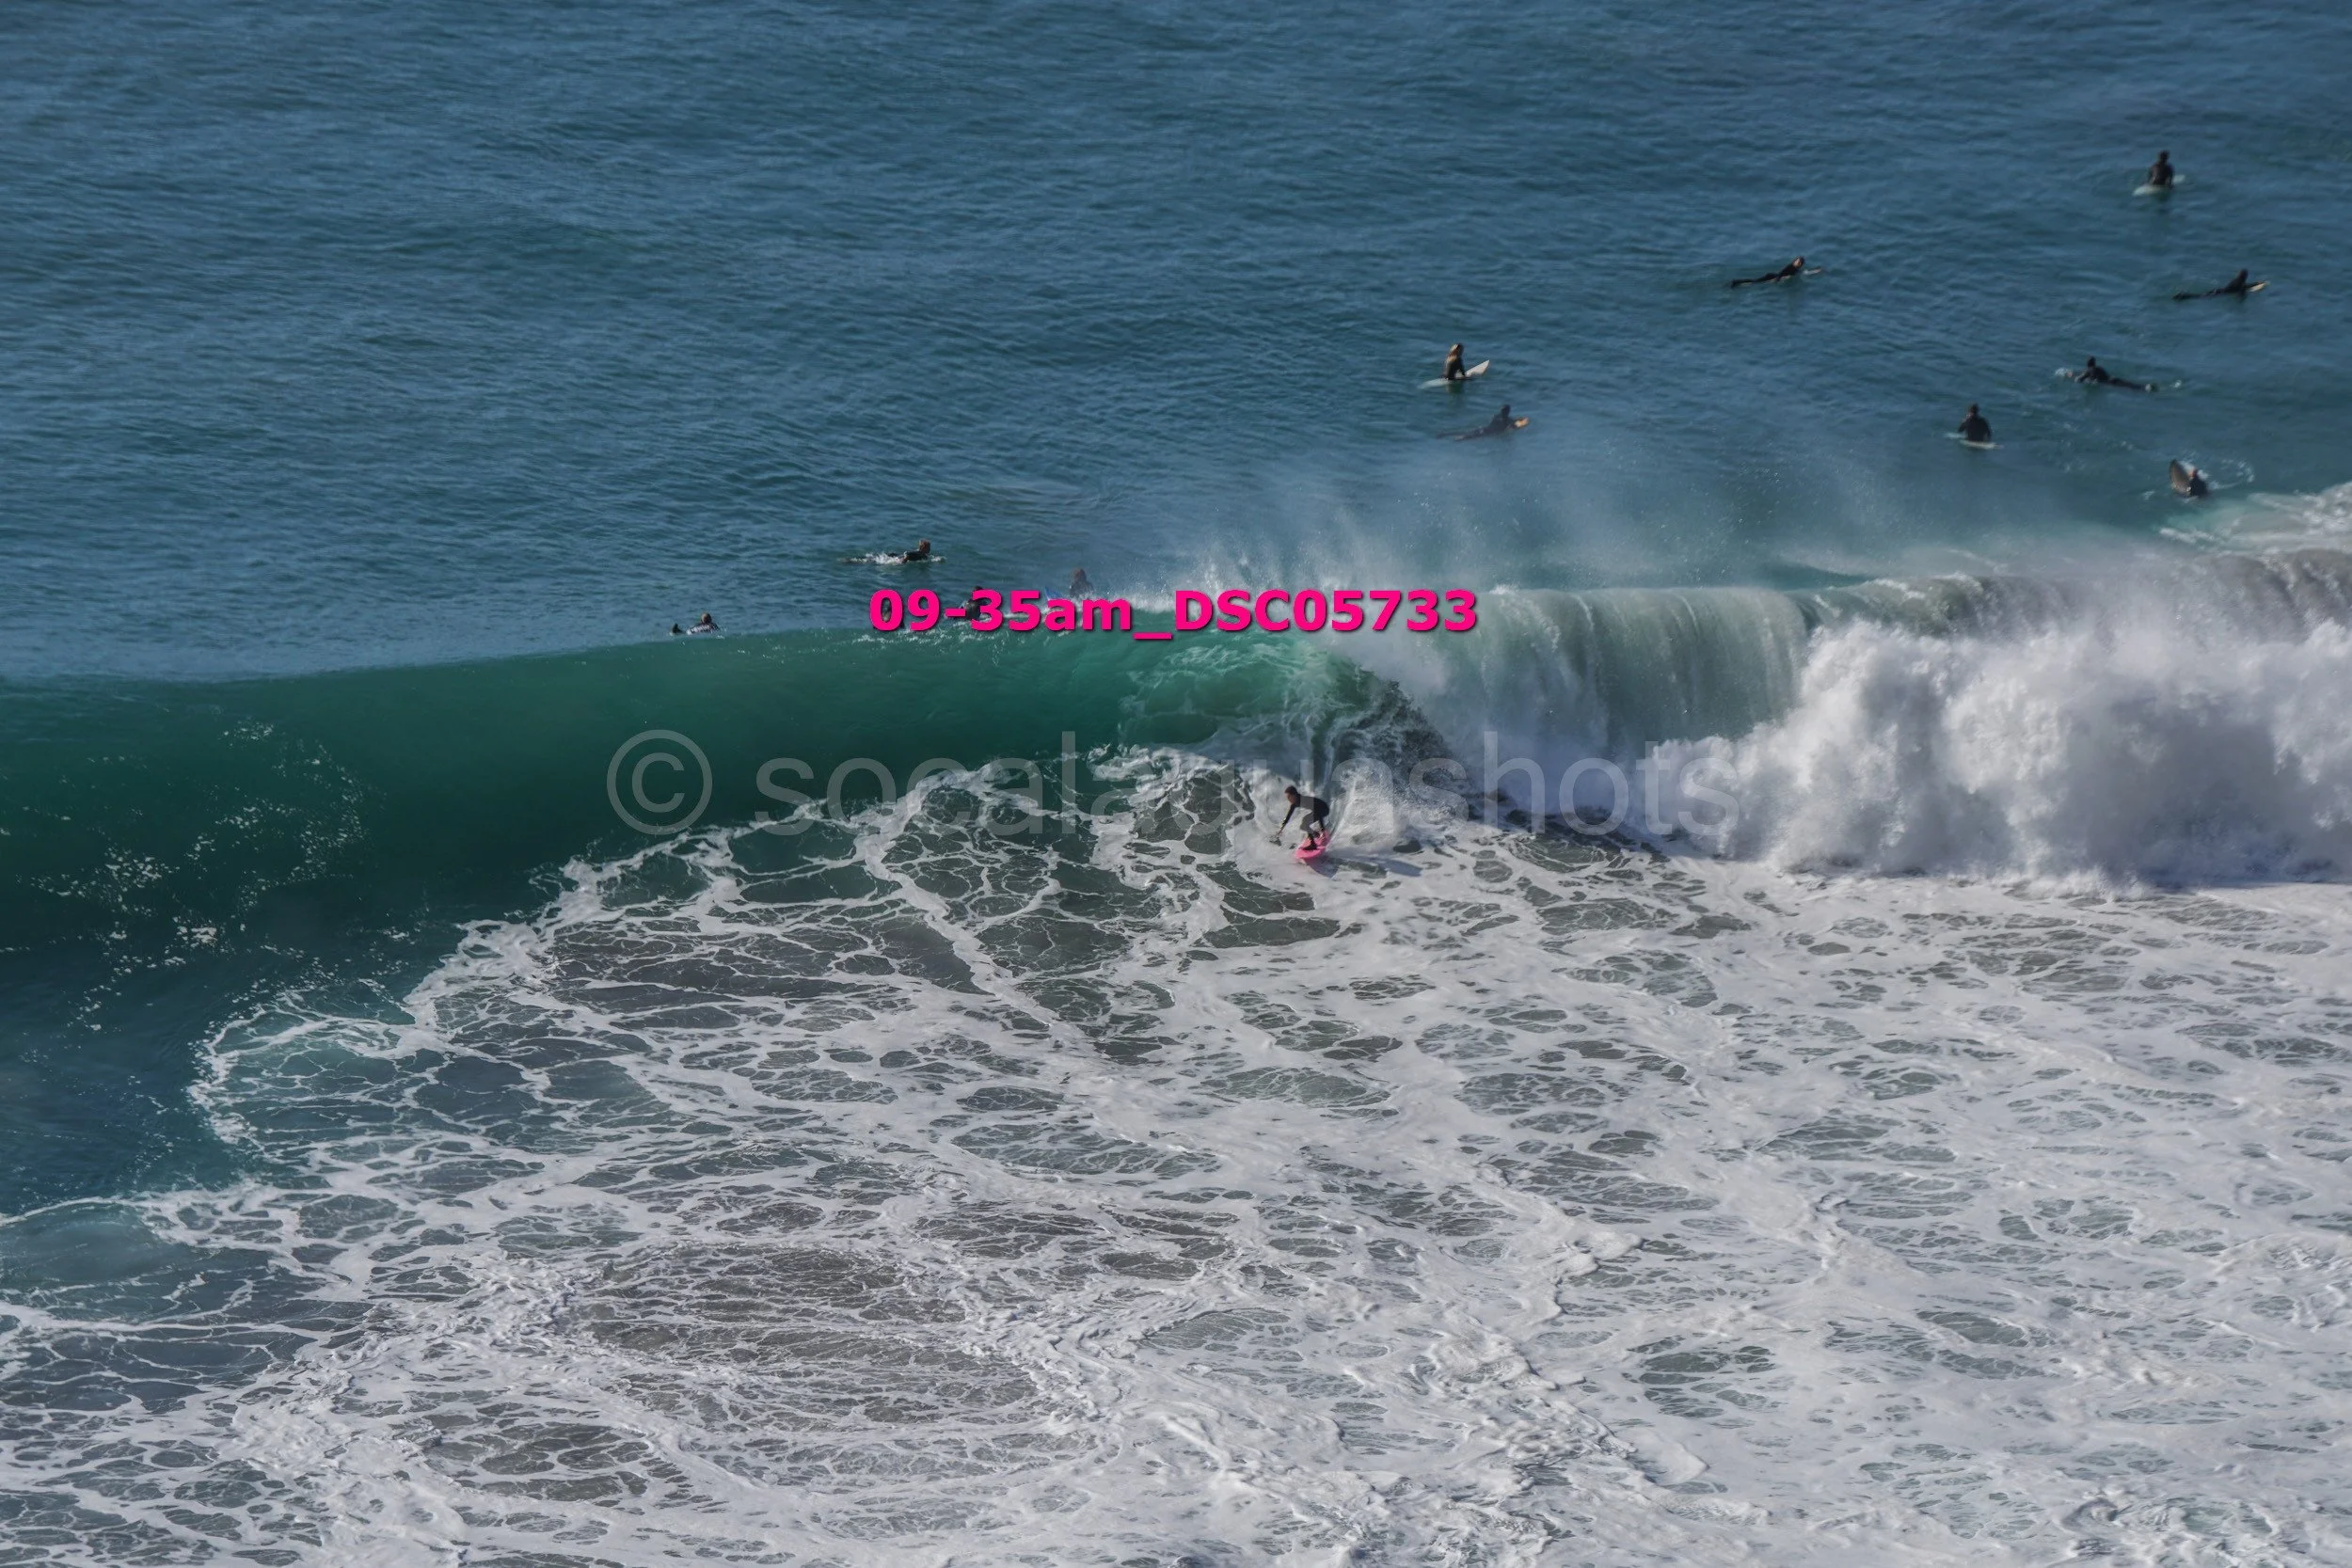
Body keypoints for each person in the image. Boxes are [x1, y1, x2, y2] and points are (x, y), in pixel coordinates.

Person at [1279, 785, 1331, 850]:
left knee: (1306, 822)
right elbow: (1288, 816)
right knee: (1303, 826)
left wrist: (1322, 829)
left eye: (1289, 797)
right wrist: (1280, 830)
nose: (1288, 799)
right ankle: (1316, 834)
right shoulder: (1294, 804)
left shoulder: (1304, 800)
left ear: (1294, 795)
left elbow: (1318, 813)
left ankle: (1313, 845)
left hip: (1323, 809)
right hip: (1318, 810)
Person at [2074, 356, 2153, 391]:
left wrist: (2071, 376)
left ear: (2087, 364)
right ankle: (2145, 386)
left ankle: (2145, 388)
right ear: (2094, 363)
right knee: (2130, 385)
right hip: (2113, 379)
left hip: (2109, 383)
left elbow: (2079, 379)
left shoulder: (2089, 370)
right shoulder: (2099, 368)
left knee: (2128, 388)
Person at [2175, 268, 2262, 300]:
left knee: (2201, 295)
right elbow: (2244, 290)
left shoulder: (2235, 280)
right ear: (2245, 277)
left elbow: (2246, 286)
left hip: (2219, 290)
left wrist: (2256, 283)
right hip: (2221, 293)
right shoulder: (2241, 285)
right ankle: (2184, 296)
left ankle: (2184, 295)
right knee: (2200, 297)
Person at [1729, 256, 1805, 288]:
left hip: (1773, 276)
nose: (1798, 263)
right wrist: (1777, 280)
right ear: (1794, 261)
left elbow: (1801, 272)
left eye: (1800, 263)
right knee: (1755, 282)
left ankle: (1737, 283)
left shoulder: (1795, 269)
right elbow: (1783, 273)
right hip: (1772, 277)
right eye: (1797, 262)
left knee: (1755, 281)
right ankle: (1736, 282)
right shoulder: (1790, 267)